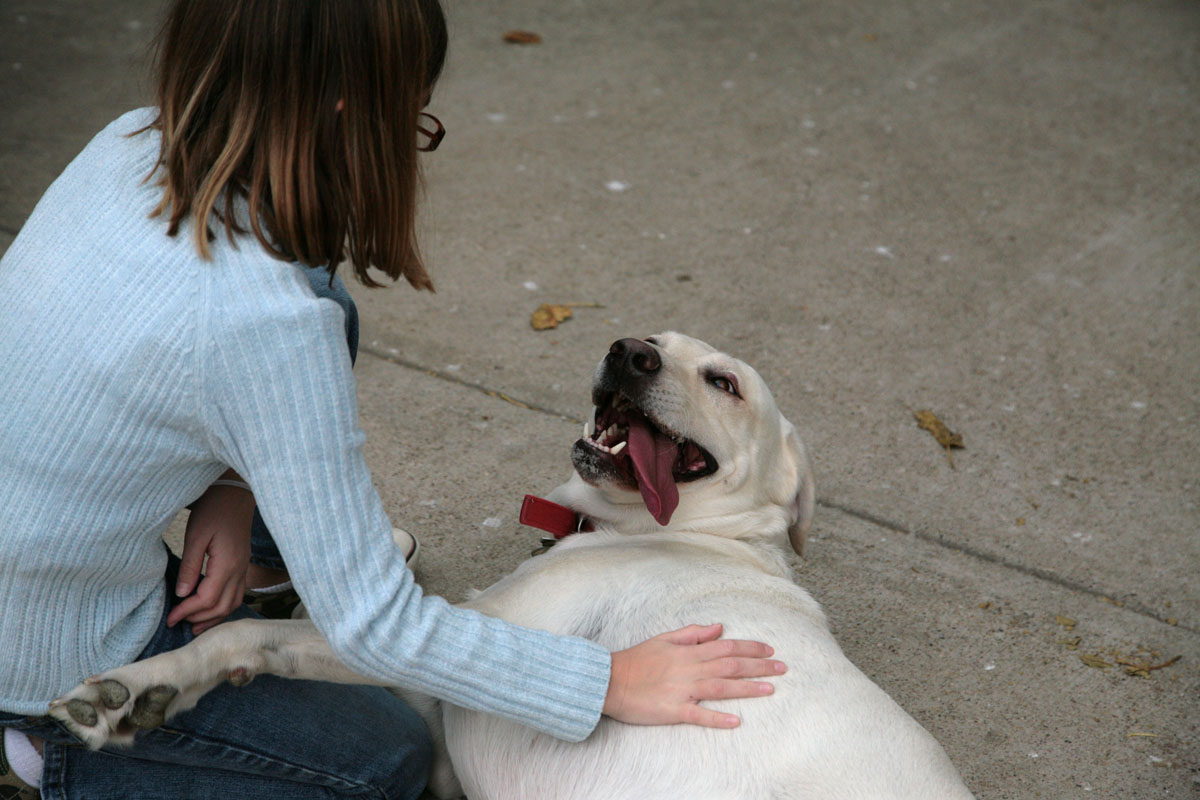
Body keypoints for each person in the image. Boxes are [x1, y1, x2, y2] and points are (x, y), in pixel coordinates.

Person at [0, 1, 785, 798]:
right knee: (391, 761)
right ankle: (49, 752)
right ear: (351, 111)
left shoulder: (131, 139)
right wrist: (606, 681)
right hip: (49, 646)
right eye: (411, 115)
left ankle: (270, 573)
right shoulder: (264, 326)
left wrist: (232, 487)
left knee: (323, 299)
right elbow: (378, 628)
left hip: (39, 568)